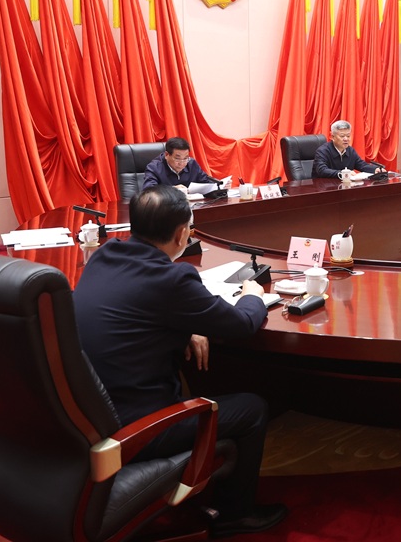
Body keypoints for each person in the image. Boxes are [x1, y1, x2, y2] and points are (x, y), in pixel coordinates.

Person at [73, 186, 287, 537]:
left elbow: (133, 311)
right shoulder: (172, 279)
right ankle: (235, 514)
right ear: (181, 234)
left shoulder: (104, 254)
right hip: (136, 430)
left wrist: (185, 325)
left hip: (86, 417)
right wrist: (253, 295)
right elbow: (241, 324)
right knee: (252, 408)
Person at [314, 120, 384, 178]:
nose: (346, 139)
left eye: (348, 136)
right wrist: (342, 173)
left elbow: (361, 165)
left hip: (345, 186)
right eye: (342, 136)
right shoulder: (323, 151)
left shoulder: (350, 150)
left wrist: (374, 169)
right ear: (332, 137)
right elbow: (322, 170)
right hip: (324, 187)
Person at [143, 137, 219, 190]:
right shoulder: (154, 167)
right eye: (177, 158)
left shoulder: (191, 164)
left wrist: (219, 185)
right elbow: (148, 190)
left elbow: (206, 181)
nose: (182, 163)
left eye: (185, 158)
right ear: (166, 155)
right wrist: (172, 189)